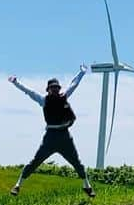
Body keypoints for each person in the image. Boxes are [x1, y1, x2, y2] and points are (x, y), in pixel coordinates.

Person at [8, 66, 95, 197]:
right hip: (50, 137)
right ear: (48, 90)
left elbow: (74, 84)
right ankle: (17, 185)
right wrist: (16, 82)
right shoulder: (43, 100)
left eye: (57, 88)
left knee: (77, 163)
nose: (55, 90)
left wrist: (81, 72)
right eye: (52, 88)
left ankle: (87, 186)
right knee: (35, 162)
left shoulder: (63, 96)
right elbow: (28, 92)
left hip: (64, 137)